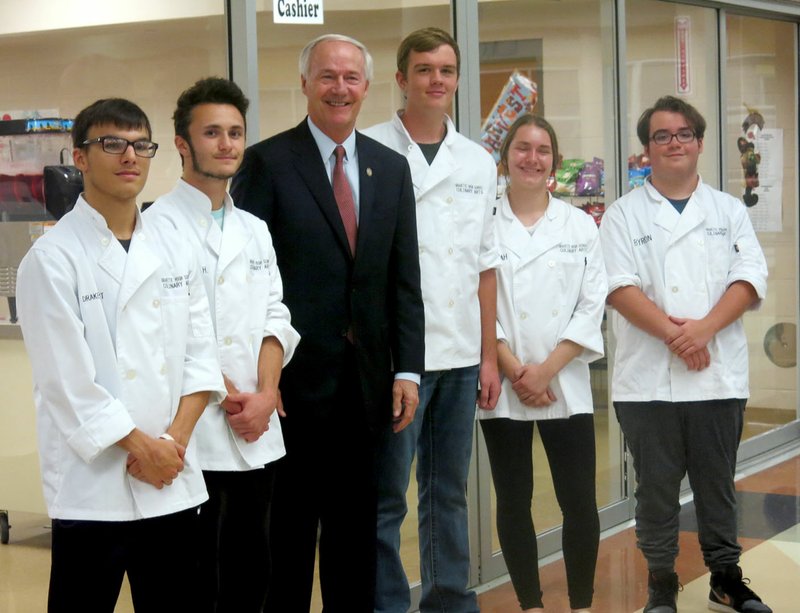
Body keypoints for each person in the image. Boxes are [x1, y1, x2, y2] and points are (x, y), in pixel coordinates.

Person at [231, 34, 425, 613]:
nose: (339, 88)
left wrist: (408, 369)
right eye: (327, 76)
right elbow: (248, 283)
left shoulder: (390, 168)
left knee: (355, 539)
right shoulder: (266, 163)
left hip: (366, 388)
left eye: (350, 78)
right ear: (305, 84)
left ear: (367, 86)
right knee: (285, 538)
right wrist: (262, 378)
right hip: (291, 387)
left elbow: (404, 278)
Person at [16, 98, 225, 612]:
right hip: (96, 489)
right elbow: (69, 385)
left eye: (140, 145)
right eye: (111, 143)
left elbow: (201, 357)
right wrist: (145, 449)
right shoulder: (52, 259)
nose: (129, 155)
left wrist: (171, 443)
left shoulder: (174, 245)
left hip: (171, 479)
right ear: (80, 157)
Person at [600, 95, 771, 613]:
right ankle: (660, 581)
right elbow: (618, 287)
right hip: (647, 380)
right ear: (646, 149)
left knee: (717, 484)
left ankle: (726, 577)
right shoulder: (622, 215)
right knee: (655, 488)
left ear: (698, 142)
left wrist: (703, 332)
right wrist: (680, 338)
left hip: (716, 377)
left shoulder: (728, 210)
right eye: (661, 136)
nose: (673, 143)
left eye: (682, 134)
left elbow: (749, 279)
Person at [144, 77, 300, 612]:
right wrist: (230, 392)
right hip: (197, 428)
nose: (227, 144)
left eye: (235, 132)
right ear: (183, 144)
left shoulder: (255, 228)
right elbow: (175, 332)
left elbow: (276, 315)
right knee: (195, 579)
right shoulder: (155, 227)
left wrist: (266, 393)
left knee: (252, 570)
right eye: (212, 132)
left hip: (256, 424)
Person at [362, 27, 501, 612]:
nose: (435, 80)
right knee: (386, 496)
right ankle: (385, 604)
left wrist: (490, 354)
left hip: (462, 355)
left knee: (448, 493)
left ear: (457, 79)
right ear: (401, 79)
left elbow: (485, 264)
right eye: (423, 70)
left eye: (445, 70)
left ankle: (448, 599)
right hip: (398, 359)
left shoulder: (479, 160)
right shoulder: (368, 151)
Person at [476, 114, 605, 613]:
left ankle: (582, 604)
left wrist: (547, 369)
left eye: (543, 150)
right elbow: (477, 298)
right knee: (513, 500)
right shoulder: (484, 220)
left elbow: (592, 303)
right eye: (523, 148)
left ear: (555, 159)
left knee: (579, 503)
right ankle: (531, 604)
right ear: (505, 156)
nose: (533, 158)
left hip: (564, 381)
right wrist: (512, 366)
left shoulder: (578, 223)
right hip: (502, 383)